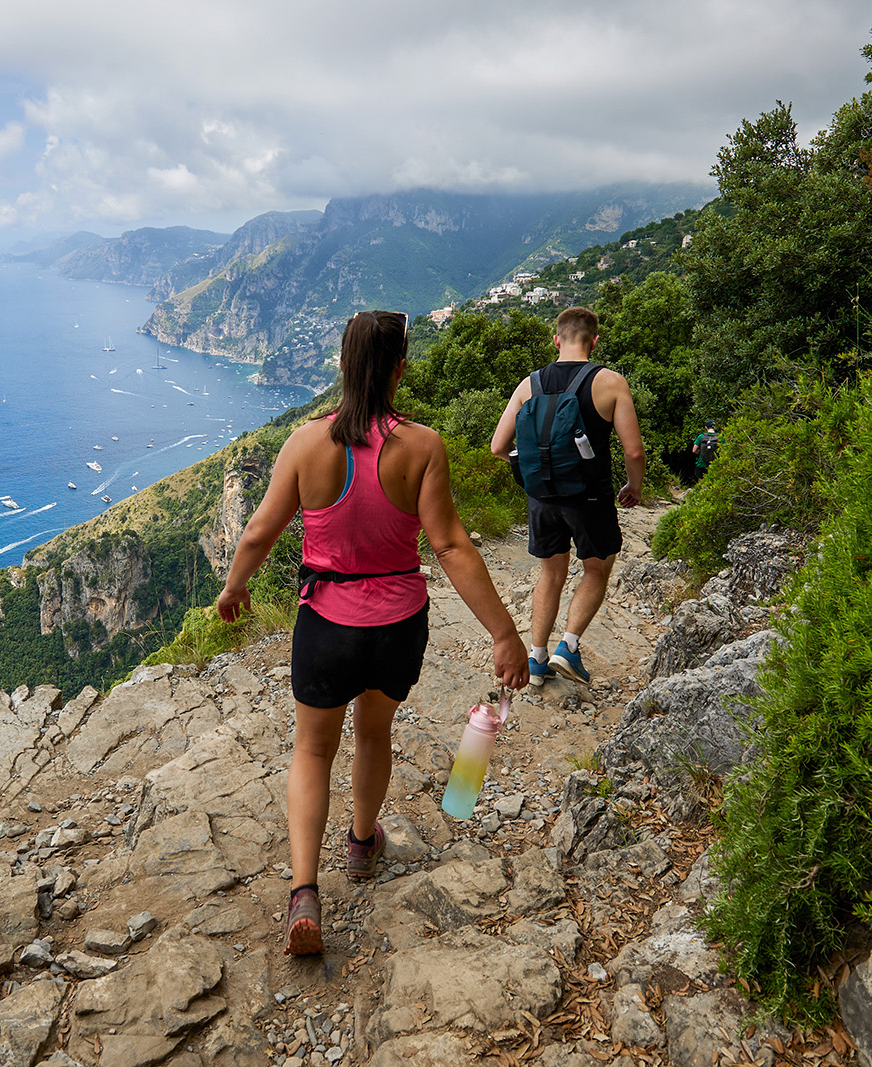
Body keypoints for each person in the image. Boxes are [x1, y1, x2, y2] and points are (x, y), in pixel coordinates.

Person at [217, 310, 528, 956]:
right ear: (399, 369)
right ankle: (361, 842)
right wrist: (504, 633)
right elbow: (449, 544)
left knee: (312, 750)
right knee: (374, 731)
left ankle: (305, 890)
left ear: (340, 364)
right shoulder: (423, 447)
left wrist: (235, 588)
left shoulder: (306, 444)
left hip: (326, 624)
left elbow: (257, 532)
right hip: (396, 625)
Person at [489, 306, 645, 687]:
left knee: (551, 572)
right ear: (594, 341)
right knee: (597, 568)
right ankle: (569, 648)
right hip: (589, 497)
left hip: (541, 497)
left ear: (556, 340)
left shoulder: (530, 384)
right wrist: (634, 486)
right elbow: (634, 450)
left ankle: (538, 658)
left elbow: (497, 446)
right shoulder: (610, 383)